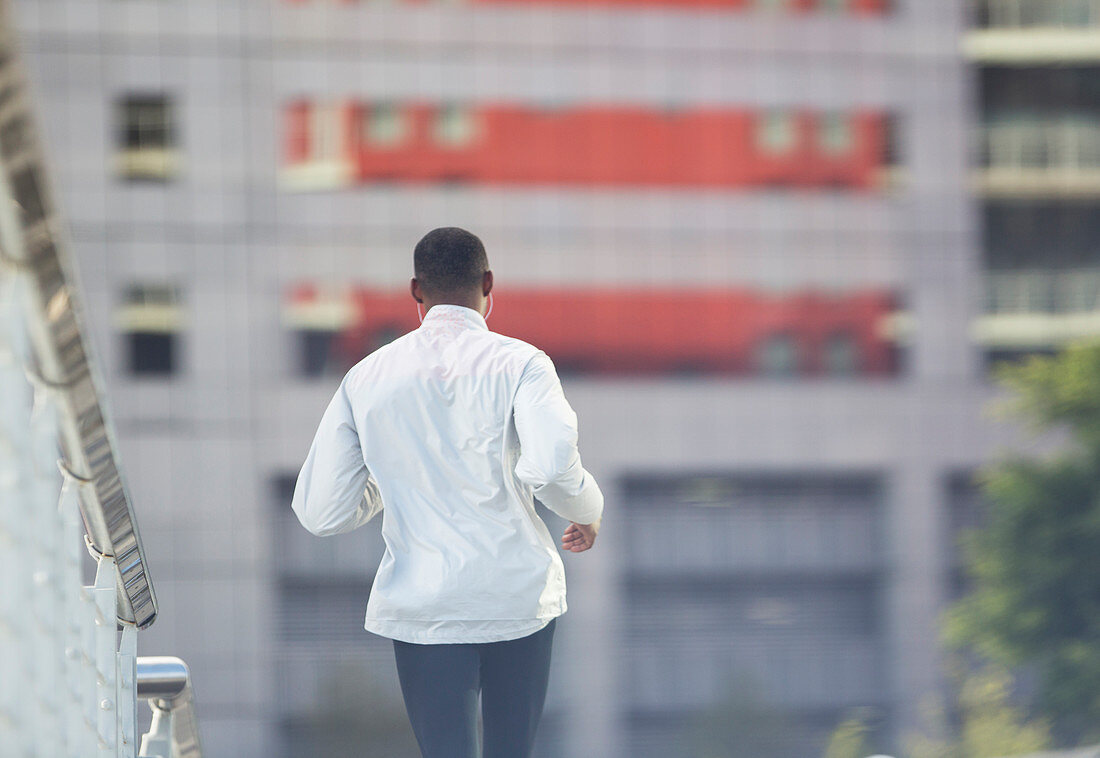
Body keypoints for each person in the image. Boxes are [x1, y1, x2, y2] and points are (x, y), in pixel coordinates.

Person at [291, 227, 604, 758]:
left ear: (416, 290)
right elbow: (551, 468)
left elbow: (322, 512)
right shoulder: (524, 363)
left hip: (424, 602)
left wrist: (397, 479)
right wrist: (588, 511)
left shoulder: (365, 377)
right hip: (516, 596)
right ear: (488, 283)